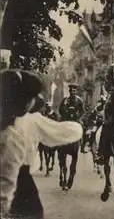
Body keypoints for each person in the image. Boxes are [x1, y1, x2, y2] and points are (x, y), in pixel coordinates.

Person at [1, 69, 83, 219]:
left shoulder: (78, 100)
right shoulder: (31, 119)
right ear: (26, 102)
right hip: (20, 184)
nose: (72, 91)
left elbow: (81, 112)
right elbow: (69, 129)